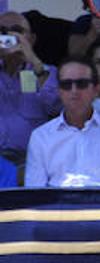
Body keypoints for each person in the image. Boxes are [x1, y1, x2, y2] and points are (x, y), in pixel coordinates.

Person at [24, 56, 100, 187]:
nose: (74, 91)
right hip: (56, 207)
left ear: (96, 89)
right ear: (59, 91)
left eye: (81, 84)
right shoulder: (40, 137)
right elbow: (35, 195)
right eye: (66, 85)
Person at [0, 10, 57, 170]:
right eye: (2, 32)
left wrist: (33, 61)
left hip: (31, 160)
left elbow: (57, 107)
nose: (9, 37)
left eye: (17, 31)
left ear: (31, 39)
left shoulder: (47, 72)